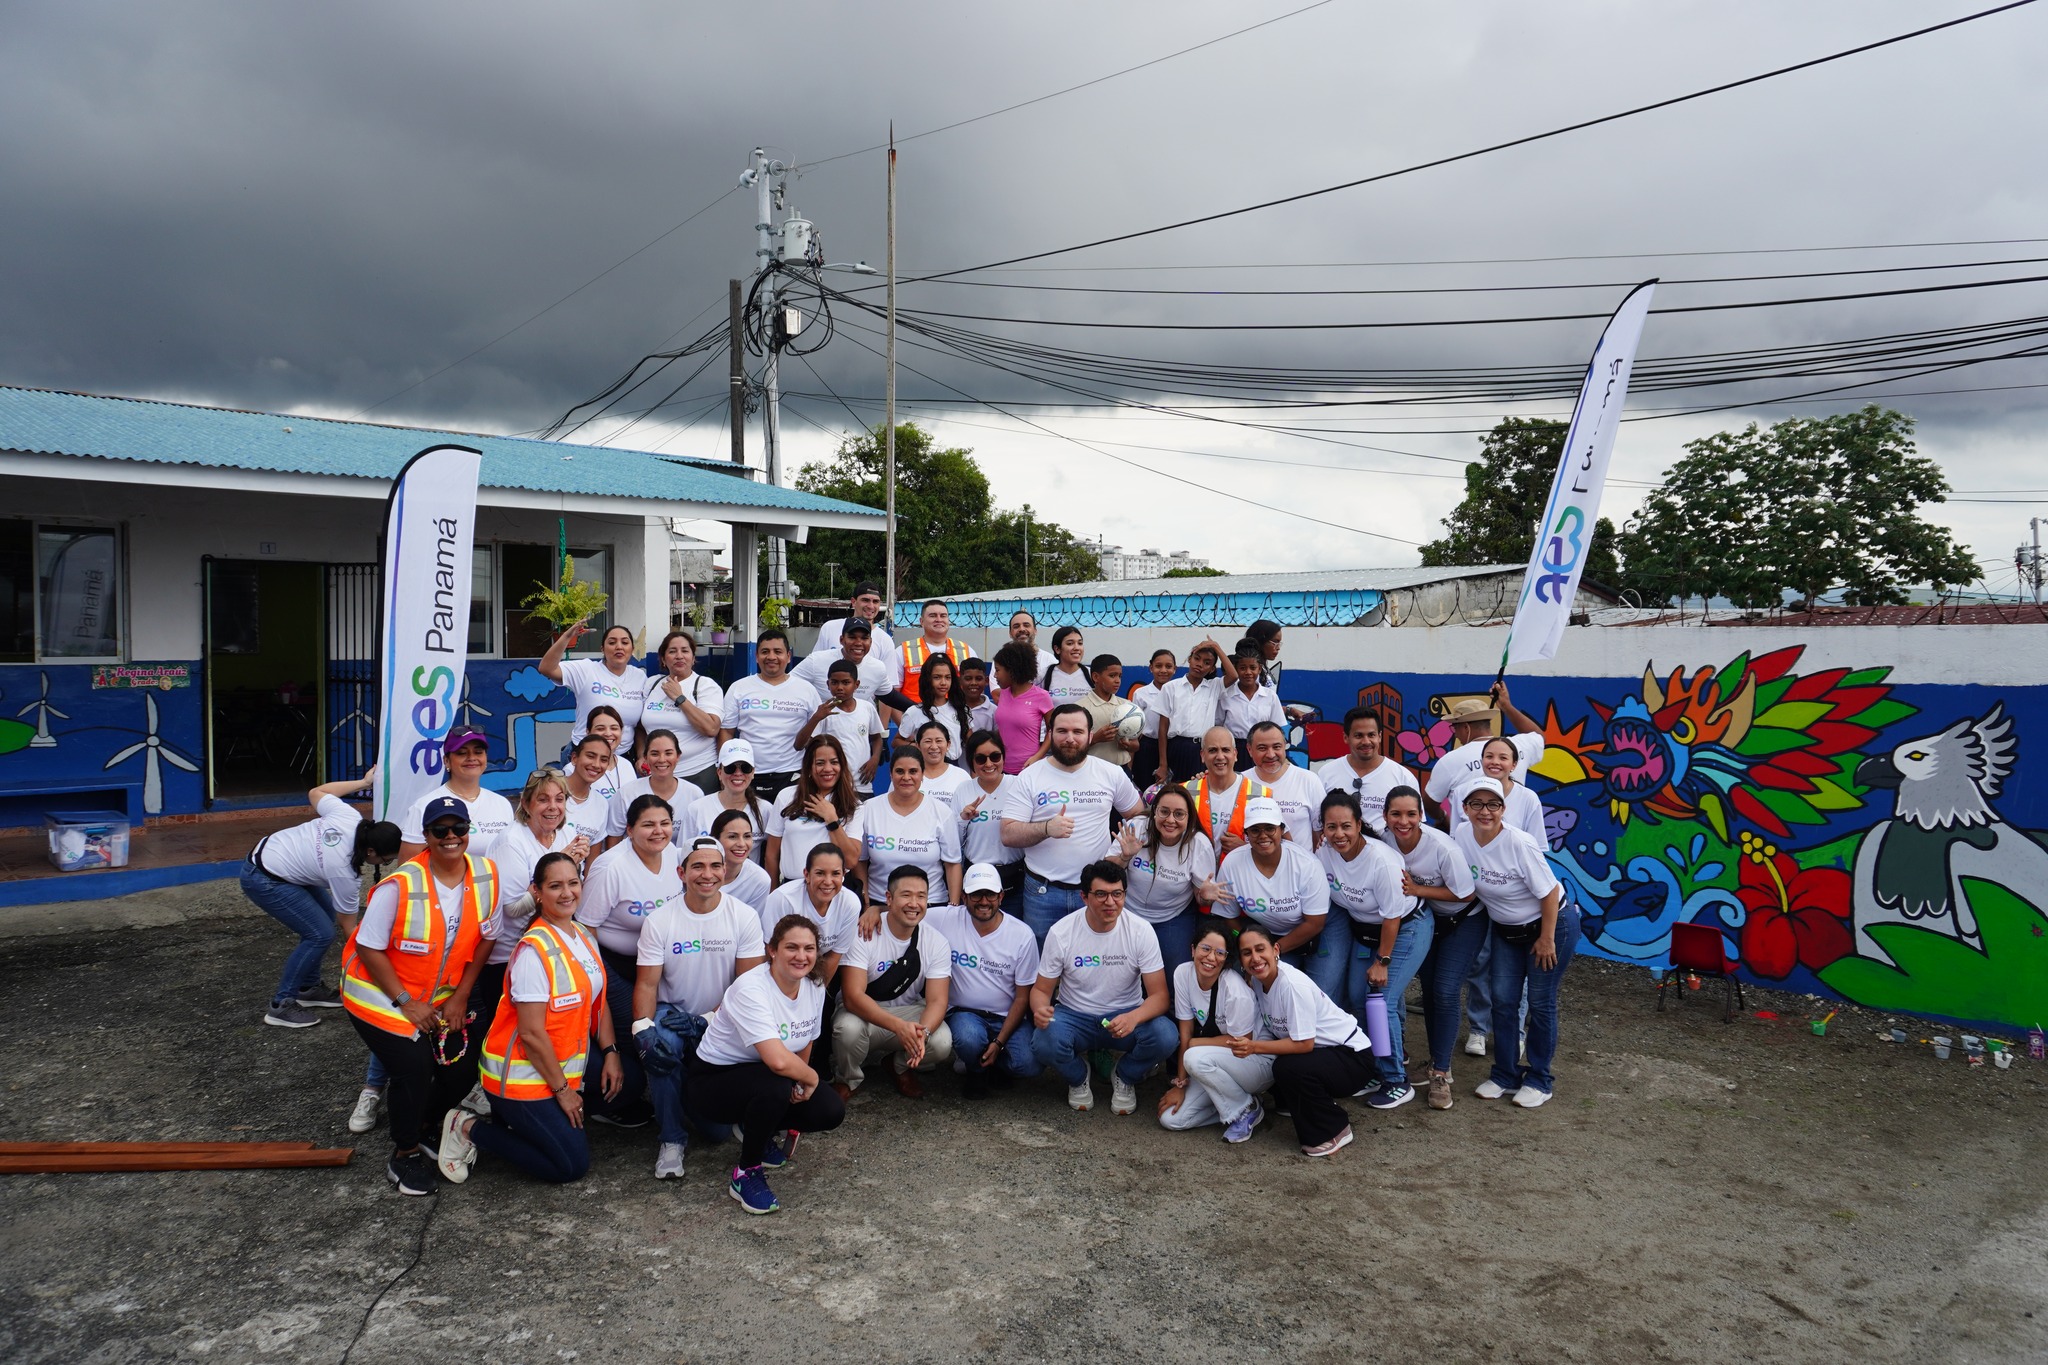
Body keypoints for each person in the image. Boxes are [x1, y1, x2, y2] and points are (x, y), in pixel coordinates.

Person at [341, 795, 501, 1195]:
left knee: (464, 1062)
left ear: (469, 832)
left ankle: (428, 1124)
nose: (451, 837)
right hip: (378, 994)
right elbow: (367, 947)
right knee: (413, 1064)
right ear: (426, 836)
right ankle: (405, 1152)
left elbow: (486, 939)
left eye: (458, 829)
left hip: (441, 993)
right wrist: (406, 1003)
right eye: (440, 831)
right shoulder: (399, 885)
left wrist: (462, 995)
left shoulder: (486, 874)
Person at [436, 851, 624, 1186]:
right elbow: (532, 1034)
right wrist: (564, 1091)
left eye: (573, 883)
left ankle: (539, 1121)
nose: (567, 893)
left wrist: (610, 1053)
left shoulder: (582, 935)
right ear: (536, 891)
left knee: (627, 1086)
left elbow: (599, 1003)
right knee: (570, 1166)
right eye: (555, 886)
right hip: (521, 1078)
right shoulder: (533, 952)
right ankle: (468, 1127)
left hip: (561, 1066)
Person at [688, 915, 847, 1215]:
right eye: (792, 947)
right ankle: (745, 1173)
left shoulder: (813, 984)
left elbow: (805, 1040)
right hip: (713, 1083)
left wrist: (801, 1083)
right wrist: (810, 1077)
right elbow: (776, 1059)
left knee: (830, 1110)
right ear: (772, 949)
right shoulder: (751, 988)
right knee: (776, 1086)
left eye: (809, 948)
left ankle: (757, 1127)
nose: (801, 956)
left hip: (762, 1077)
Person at [633, 834, 766, 1180]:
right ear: (681, 872)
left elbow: (747, 987)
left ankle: (687, 1095)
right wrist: (642, 1030)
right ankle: (672, 1138)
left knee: (716, 1133)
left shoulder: (745, 916)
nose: (706, 874)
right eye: (697, 866)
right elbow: (647, 984)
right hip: (672, 1012)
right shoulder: (659, 920)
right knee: (660, 1048)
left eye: (714, 865)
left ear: (725, 870)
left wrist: (708, 1019)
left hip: (725, 1017)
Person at [1452, 777, 1576, 1108]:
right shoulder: (1461, 836)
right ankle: (1505, 1074)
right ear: (1465, 809)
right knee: (1503, 1001)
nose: (1485, 811)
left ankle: (1539, 1079)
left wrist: (1547, 939)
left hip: (1549, 927)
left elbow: (1549, 893)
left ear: (1503, 810)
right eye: (1476, 804)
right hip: (1507, 930)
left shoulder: (1519, 843)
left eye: (1493, 804)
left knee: (1539, 1002)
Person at [243, 770, 398, 1029]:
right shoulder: (345, 871)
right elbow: (349, 928)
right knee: (319, 934)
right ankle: (281, 1005)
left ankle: (308, 988)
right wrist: (377, 967)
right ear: (370, 851)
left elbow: (317, 793)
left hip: (283, 864)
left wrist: (364, 782)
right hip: (263, 876)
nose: (386, 864)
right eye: (386, 860)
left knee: (323, 922)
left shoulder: (350, 816)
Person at [1029, 861, 1176, 1114]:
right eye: (1101, 894)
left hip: (1124, 1015)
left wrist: (1133, 1017)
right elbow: (1041, 990)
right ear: (1084, 897)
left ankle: (1126, 1075)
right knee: (1043, 1041)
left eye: (1117, 894)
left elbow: (1160, 996)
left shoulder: (1141, 931)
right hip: (1074, 1015)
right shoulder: (1061, 932)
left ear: (1125, 895)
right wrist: (1040, 1009)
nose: (1110, 902)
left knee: (1166, 1035)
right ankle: (1077, 1077)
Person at [574, 794, 683, 1129]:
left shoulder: (675, 856)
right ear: (629, 829)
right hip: (613, 962)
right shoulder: (610, 867)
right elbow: (585, 926)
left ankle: (642, 1086)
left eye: (664, 823)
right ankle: (614, 1096)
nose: (658, 831)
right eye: (648, 824)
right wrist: (599, 980)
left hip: (657, 961)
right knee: (636, 1029)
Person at [1001, 704, 1146, 943]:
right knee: (1041, 966)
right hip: (1042, 893)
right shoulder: (1030, 776)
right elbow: (1007, 834)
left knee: (1092, 966)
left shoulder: (1111, 773)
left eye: (1078, 732)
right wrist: (1046, 828)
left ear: (1090, 736)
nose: (1070, 739)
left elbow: (1138, 816)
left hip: (1096, 894)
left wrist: (1122, 854)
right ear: (1050, 735)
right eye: (1062, 731)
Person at [1318, 790, 1426, 1109]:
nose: (1339, 834)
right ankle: (1373, 1068)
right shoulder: (1324, 852)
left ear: (1359, 824)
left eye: (1346, 826)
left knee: (1381, 1000)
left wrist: (1383, 961)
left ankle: (1395, 1080)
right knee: (1355, 997)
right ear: (1322, 828)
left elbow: (1392, 917)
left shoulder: (1381, 860)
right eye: (1331, 827)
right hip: (1365, 932)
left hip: (1406, 928)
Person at [1382, 785, 1481, 1111]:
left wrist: (1417, 889)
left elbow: (1466, 894)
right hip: (1426, 922)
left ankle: (1441, 1072)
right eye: (1396, 814)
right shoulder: (1385, 841)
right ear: (1386, 817)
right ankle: (1432, 1059)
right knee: (1428, 987)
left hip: (1464, 919)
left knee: (1445, 990)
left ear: (1421, 816)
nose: (1403, 821)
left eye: (1411, 814)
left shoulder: (1441, 848)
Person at [1237, 922, 1373, 1157]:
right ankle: (1295, 1103)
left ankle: (1334, 1129)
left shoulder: (1291, 985)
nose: (1255, 958)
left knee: (1287, 1066)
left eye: (1261, 949)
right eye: (1247, 953)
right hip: (1324, 1053)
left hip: (1353, 1056)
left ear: (1276, 950)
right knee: (1278, 1060)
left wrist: (1253, 1047)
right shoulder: (1259, 981)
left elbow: (1304, 1044)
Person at [478, 770, 590, 1040]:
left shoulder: (566, 835)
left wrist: (576, 869)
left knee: (552, 1029)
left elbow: (568, 893)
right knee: (518, 1035)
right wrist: (557, 864)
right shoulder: (512, 842)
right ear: (526, 804)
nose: (553, 807)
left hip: (553, 946)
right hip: (509, 955)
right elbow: (513, 909)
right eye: (543, 799)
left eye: (560, 799)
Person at [832, 865, 955, 1099]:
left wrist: (923, 1034)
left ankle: (899, 1065)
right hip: (864, 1012)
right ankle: (848, 1079)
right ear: (888, 898)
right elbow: (852, 997)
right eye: (906, 895)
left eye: (921, 896)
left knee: (941, 1041)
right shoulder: (863, 931)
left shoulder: (936, 941)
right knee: (846, 1029)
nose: (914, 903)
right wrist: (898, 1027)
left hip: (908, 1013)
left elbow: (938, 1000)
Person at [1207, 797, 1342, 1000]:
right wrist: (1249, 946)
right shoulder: (1233, 863)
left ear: (1281, 830)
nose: (1263, 835)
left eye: (1270, 828)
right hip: (1270, 936)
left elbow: (1315, 923)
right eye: (1255, 830)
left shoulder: (1306, 864)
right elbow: (1230, 918)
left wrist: (1273, 951)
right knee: (1270, 990)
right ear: (1246, 835)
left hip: (1320, 927)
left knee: (1319, 994)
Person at [928, 863, 1043, 1098]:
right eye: (975, 894)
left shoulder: (1021, 935)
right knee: (969, 1038)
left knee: (1029, 1064)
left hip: (1006, 1017)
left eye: (990, 894)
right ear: (963, 897)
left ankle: (992, 1060)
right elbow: (908, 912)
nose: (983, 901)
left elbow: (1023, 998)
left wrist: (999, 1043)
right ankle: (976, 1070)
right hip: (964, 1013)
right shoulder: (946, 918)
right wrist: (876, 912)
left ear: (1001, 896)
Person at [1157, 922, 1263, 1139]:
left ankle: (1247, 1108)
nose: (1211, 958)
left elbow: (1244, 1042)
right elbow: (1185, 1031)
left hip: (1254, 1062)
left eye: (1220, 953)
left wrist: (1198, 1044)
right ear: (1193, 949)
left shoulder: (1234, 990)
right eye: (1205, 949)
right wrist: (1180, 1083)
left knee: (1194, 1054)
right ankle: (1230, 1106)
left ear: (1226, 959)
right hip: (1216, 1062)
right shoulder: (1182, 974)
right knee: (1170, 1119)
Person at [1109, 783, 1217, 975]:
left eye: (1179, 814)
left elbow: (1201, 899)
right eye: (1164, 812)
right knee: (1122, 973)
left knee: (1174, 976)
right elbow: (1106, 874)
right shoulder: (1137, 827)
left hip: (1172, 917)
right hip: (1128, 913)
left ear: (1189, 817)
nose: (1170, 820)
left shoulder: (1198, 844)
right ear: (1154, 812)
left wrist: (1205, 896)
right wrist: (1125, 857)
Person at [852, 747, 964, 907]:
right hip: (881, 904)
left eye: (913, 771)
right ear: (890, 774)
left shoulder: (942, 812)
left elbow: (952, 864)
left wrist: (953, 907)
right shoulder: (869, 809)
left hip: (930, 904)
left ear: (922, 774)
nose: (906, 777)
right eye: (899, 771)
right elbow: (860, 861)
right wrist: (866, 901)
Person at [719, 629, 821, 799]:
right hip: (747, 774)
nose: (771, 657)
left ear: (788, 656)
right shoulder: (739, 688)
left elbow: (816, 736)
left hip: (793, 775)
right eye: (765, 652)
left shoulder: (807, 690)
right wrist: (724, 768)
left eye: (778, 651)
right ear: (756, 656)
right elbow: (726, 731)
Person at [1422, 682, 1545, 820]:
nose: (1455, 734)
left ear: (1466, 728)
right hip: (1515, 836)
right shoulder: (1518, 745)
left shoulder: (1450, 760)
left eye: (1454, 728)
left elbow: (1429, 802)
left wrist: (1446, 821)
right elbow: (1538, 736)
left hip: (1470, 838)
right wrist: (1507, 707)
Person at [397, 729, 516, 859]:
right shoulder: (424, 805)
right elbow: (407, 865)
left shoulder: (501, 803)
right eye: (462, 753)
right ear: (446, 761)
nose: (471, 758)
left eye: (478, 752)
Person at [763, 735, 863, 886]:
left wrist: (832, 820)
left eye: (834, 762)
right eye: (820, 763)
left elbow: (850, 860)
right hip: (791, 888)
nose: (828, 769)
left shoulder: (854, 805)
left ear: (842, 765)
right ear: (809, 766)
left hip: (832, 889)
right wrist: (773, 892)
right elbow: (771, 854)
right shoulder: (787, 796)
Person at [758, 843, 863, 983]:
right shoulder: (783, 899)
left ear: (843, 875)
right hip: (780, 971)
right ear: (806, 874)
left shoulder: (850, 903)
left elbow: (834, 956)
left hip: (819, 971)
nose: (828, 881)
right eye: (820, 873)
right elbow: (770, 953)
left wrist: (815, 994)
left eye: (835, 873)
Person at [538, 620, 647, 752]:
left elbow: (640, 726)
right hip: (585, 755)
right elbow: (546, 668)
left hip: (624, 757)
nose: (619, 647)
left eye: (625, 642)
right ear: (602, 649)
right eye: (612, 643)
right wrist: (567, 637)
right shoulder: (586, 669)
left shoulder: (639, 677)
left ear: (632, 649)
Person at [641, 631, 724, 793]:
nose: (679, 656)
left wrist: (679, 698)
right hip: (656, 774)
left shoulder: (705, 685)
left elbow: (711, 729)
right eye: (672, 651)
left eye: (685, 651)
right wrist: (641, 755)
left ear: (693, 658)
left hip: (698, 773)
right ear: (663, 659)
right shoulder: (652, 684)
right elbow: (640, 727)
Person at [956, 730, 1024, 917]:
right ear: (971, 762)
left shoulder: (1018, 785)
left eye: (995, 756)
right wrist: (963, 819)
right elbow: (954, 841)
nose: (989, 764)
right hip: (976, 878)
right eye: (980, 759)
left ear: (1003, 756)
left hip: (1014, 876)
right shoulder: (963, 789)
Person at [1316, 708, 1415, 835]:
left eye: (1371, 735)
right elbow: (1317, 824)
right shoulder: (1326, 773)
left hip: (1386, 852)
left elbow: (1416, 825)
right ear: (1346, 737)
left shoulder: (1403, 777)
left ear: (1379, 736)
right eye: (1358, 736)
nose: (1366, 742)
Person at [793, 659, 885, 787]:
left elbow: (876, 738)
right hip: (834, 785)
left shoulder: (867, 708)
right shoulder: (824, 711)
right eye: (834, 682)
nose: (840, 688)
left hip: (862, 784)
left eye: (846, 682)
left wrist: (874, 759)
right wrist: (816, 718)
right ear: (828, 684)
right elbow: (799, 745)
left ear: (856, 684)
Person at [1152, 639, 1229, 785]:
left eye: (1207, 662)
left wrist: (1216, 647)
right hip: (1177, 746)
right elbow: (1163, 728)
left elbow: (1233, 675)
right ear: (1189, 659)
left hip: (1202, 748)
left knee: (1200, 788)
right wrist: (1163, 764)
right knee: (1177, 789)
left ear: (1212, 669)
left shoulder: (1214, 686)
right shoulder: (1171, 687)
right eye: (1197, 659)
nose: (1200, 664)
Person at [1186, 726, 1270, 858]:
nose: (1220, 756)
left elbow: (1273, 846)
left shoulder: (1262, 794)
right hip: (1195, 876)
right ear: (1203, 755)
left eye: (1225, 750)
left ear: (1235, 754)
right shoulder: (1186, 792)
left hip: (1239, 876)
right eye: (1213, 750)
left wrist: (1245, 848)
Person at [682, 740, 770, 865]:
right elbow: (684, 854)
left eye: (745, 768)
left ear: (753, 772)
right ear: (719, 772)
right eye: (730, 768)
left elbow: (774, 852)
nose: (738, 773)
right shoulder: (696, 809)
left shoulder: (765, 810)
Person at [1242, 720, 1324, 849]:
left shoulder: (1309, 781)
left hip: (1300, 867)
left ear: (1285, 746)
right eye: (1262, 748)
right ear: (1249, 749)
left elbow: (1319, 834)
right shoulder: (1239, 782)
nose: (1270, 754)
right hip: (1250, 867)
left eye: (1276, 747)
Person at [1449, 735, 1548, 843]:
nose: (1495, 762)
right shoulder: (1461, 792)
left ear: (1514, 765)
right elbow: (1456, 838)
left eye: (1503, 758)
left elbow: (1537, 846)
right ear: (1482, 760)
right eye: (1489, 756)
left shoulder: (1529, 798)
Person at [793, 617, 894, 710]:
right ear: (841, 640)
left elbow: (890, 696)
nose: (858, 643)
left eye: (864, 638)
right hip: (820, 727)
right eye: (852, 637)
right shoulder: (816, 660)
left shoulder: (877, 667)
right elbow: (788, 685)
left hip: (857, 727)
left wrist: (910, 708)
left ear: (870, 642)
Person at [990, 640, 1055, 775]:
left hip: (1030, 770)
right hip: (1001, 769)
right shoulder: (1003, 695)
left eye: (997, 670)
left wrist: (1037, 757)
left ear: (1012, 670)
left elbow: (1053, 730)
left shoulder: (1042, 696)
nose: (995, 675)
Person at [810, 582, 899, 679]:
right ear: (853, 602)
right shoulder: (830, 628)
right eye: (865, 600)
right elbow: (814, 668)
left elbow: (890, 683)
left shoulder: (885, 640)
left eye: (875, 602)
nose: (871, 606)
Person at [898, 654, 974, 765]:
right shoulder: (915, 712)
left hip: (954, 767)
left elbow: (971, 742)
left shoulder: (961, 709)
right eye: (937, 677)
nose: (943, 682)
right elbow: (896, 741)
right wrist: (915, 746)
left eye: (947, 677)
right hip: (926, 768)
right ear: (927, 679)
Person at [1219, 640, 1286, 765]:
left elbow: (1277, 729)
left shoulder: (1270, 696)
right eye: (1242, 668)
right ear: (1236, 669)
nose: (1248, 672)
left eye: (1253, 668)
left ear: (1259, 669)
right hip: (1233, 752)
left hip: (1263, 751)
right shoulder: (1226, 696)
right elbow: (1218, 726)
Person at [897, 600, 970, 706]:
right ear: (921, 621)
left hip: (954, 720)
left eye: (943, 616)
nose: (939, 619)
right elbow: (892, 694)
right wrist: (906, 722)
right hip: (916, 719)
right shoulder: (903, 651)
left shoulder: (965, 650)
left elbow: (974, 693)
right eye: (933, 616)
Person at [1077, 654, 1139, 771]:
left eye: (1120, 676)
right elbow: (1074, 746)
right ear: (1095, 677)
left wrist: (1128, 745)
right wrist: (1095, 739)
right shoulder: (1080, 708)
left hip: (1121, 769)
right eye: (1112, 676)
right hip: (1092, 770)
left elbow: (1136, 745)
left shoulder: (1127, 706)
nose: (1117, 681)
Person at [561, 733, 623, 850]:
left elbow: (592, 857)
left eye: (604, 760)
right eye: (590, 756)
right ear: (574, 758)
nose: (596, 765)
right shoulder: (551, 791)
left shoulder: (601, 804)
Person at [618, 728, 687, 827]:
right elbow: (615, 838)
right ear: (645, 757)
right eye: (655, 754)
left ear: (678, 756)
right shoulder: (626, 793)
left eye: (668, 753)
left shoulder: (694, 794)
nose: (662, 759)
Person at [1128, 649, 1176, 787]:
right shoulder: (1141, 693)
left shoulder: (1178, 692)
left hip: (1171, 747)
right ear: (1151, 668)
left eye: (1168, 666)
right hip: (1147, 747)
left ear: (1174, 669)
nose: (1163, 670)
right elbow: (1134, 727)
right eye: (1158, 666)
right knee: (1146, 786)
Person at [713, 808, 774, 909]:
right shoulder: (695, 870)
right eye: (732, 837)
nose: (741, 844)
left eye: (747, 836)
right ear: (715, 840)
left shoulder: (760, 880)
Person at [914, 720, 974, 816]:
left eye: (939, 741)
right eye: (928, 741)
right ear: (918, 746)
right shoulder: (907, 775)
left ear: (948, 745)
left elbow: (969, 813)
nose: (934, 746)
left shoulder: (961, 776)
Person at [581, 705, 635, 801]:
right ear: (588, 732)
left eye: (614, 728)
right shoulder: (575, 768)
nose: (608, 733)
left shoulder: (626, 765)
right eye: (600, 729)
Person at [1040, 626, 1093, 704]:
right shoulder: (1043, 675)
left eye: (1080, 643)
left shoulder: (1092, 675)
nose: (1077, 648)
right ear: (1057, 649)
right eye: (1070, 643)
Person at [1007, 610, 1058, 679]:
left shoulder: (1050, 661)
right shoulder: (1002, 660)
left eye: (1026, 625)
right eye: (1016, 626)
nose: (1021, 629)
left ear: (1035, 630)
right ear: (1010, 633)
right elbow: (996, 689)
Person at [957, 657, 998, 734]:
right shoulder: (952, 707)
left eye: (978, 679)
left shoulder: (994, 711)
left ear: (986, 681)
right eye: (968, 679)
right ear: (960, 681)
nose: (973, 683)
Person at [1246, 619, 1284, 688]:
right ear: (1261, 641)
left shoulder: (1264, 669)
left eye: (1279, 643)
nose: (1278, 648)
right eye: (1275, 642)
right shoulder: (1251, 672)